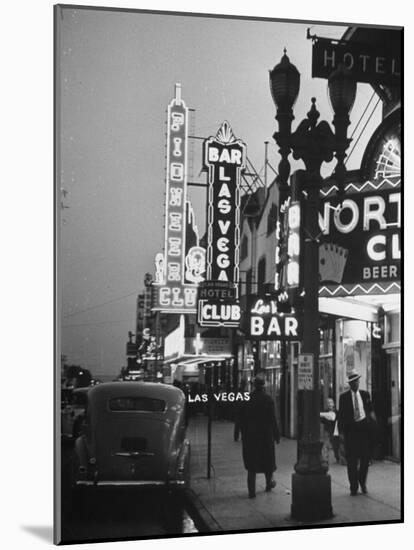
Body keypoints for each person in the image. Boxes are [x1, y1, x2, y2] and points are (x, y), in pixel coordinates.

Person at [239, 375, 280, 498]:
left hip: (251, 436)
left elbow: (241, 419)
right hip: (266, 435)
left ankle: (252, 491)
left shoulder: (247, 399)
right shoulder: (268, 399)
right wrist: (276, 434)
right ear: (263, 386)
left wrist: (243, 433)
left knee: (252, 465)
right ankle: (268, 485)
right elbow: (272, 419)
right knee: (267, 461)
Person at [337, 370, 374, 496]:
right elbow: (341, 416)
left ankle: (362, 482)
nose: (355, 384)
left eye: (357, 381)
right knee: (352, 462)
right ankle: (353, 486)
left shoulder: (365, 395)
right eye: (353, 382)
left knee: (365, 460)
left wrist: (371, 426)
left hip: (364, 432)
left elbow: (370, 411)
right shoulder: (343, 398)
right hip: (351, 433)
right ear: (350, 384)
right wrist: (341, 433)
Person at [320, 397, 340, 464]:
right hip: (328, 430)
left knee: (336, 445)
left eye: (331, 402)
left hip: (335, 430)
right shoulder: (325, 411)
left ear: (333, 403)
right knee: (326, 445)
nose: (329, 404)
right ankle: (325, 459)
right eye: (328, 403)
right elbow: (322, 421)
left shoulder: (336, 412)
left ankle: (337, 457)